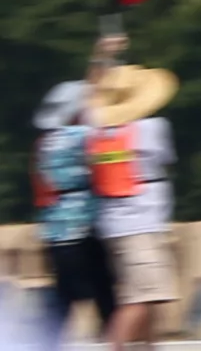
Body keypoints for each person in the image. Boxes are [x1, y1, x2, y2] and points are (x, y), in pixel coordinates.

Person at [80, 38, 178, 351]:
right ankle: (116, 347)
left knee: (147, 294)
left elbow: (87, 103)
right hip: (142, 221)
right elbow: (166, 160)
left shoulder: (98, 133)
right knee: (143, 296)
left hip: (117, 222)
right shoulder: (152, 129)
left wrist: (99, 58)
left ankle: (149, 347)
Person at [31, 81, 115, 346]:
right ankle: (116, 342)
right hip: (84, 227)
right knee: (104, 293)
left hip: (56, 230)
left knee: (63, 297)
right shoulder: (82, 136)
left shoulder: (45, 142)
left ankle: (44, 343)